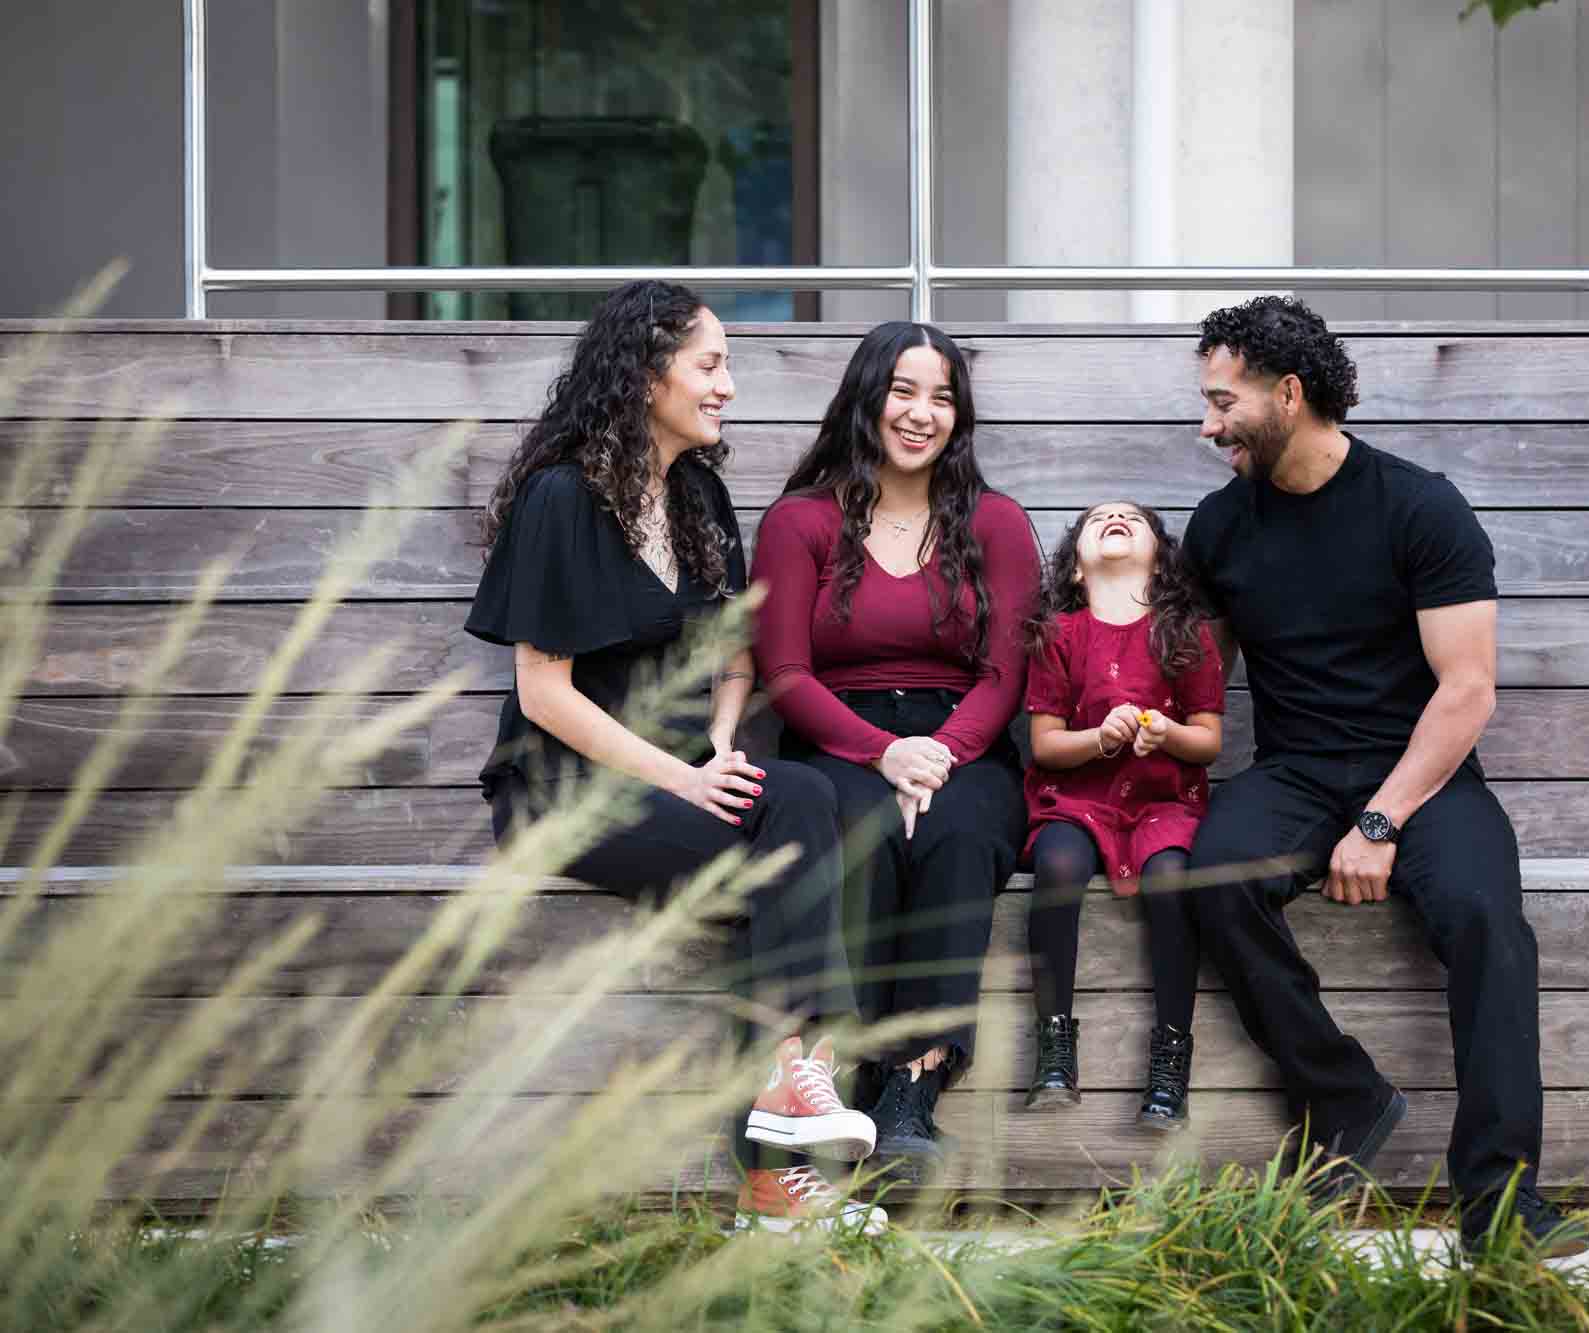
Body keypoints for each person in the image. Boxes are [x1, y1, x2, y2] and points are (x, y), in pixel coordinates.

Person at [465, 280, 881, 1234]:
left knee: (804, 809)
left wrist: (726, 738)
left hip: (683, 780)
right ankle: (788, 1144)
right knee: (795, 833)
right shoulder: (560, 498)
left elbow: (735, 657)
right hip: (568, 791)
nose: (729, 384)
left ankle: (785, 1105)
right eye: (711, 362)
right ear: (648, 374)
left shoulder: (696, 492)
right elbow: (543, 693)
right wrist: (685, 775)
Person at [1179, 295, 1589, 1259]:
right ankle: (1344, 1094)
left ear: (1288, 394)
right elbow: (1196, 679)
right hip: (1294, 773)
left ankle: (1500, 1204)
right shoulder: (1220, 527)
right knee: (1211, 875)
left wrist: (1380, 821)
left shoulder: (1419, 506)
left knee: (1489, 922)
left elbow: (1468, 689)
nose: (1206, 425)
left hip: (1428, 775)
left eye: (1220, 401)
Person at [750, 321, 1038, 1181]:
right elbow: (785, 672)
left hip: (965, 741)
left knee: (961, 834)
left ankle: (912, 1090)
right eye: (904, 391)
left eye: (942, 397)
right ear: (866, 398)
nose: (922, 413)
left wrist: (939, 754)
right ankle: (849, 1069)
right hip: (842, 736)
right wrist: (884, 754)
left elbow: (1006, 671)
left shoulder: (996, 522)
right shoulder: (799, 521)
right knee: (861, 828)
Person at [1018, 501, 1224, 1131]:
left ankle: (1170, 1058)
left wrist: (1165, 733)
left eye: (1132, 519)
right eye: (1097, 518)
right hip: (1079, 798)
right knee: (1056, 864)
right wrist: (1100, 741)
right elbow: (1046, 745)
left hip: (1165, 802)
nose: (1115, 520)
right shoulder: (1059, 633)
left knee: (1172, 881)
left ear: (1159, 560)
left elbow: (1209, 740)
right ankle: (1054, 1047)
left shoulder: (1186, 634)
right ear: (1076, 568)